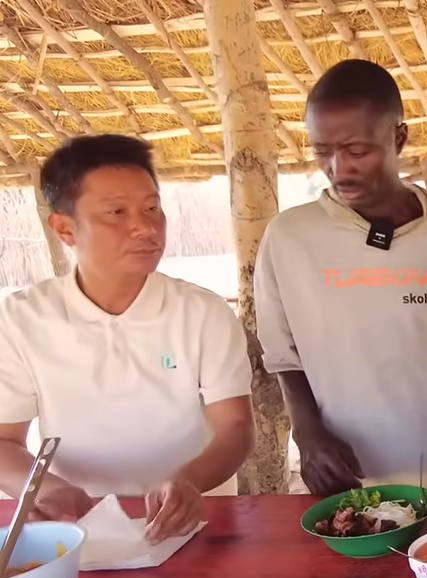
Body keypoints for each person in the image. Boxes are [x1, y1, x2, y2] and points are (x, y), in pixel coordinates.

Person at [0, 135, 255, 542]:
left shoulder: (202, 312)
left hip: (194, 521)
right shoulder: (22, 319)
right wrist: (48, 490)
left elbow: (235, 427)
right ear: (65, 228)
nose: (144, 226)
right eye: (116, 212)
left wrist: (187, 483)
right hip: (77, 528)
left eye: (152, 208)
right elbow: (4, 441)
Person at [254, 59, 427, 495]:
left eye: (357, 151)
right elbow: (285, 359)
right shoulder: (289, 240)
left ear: (399, 136)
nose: (338, 170)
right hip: (346, 484)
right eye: (322, 151)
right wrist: (307, 435)